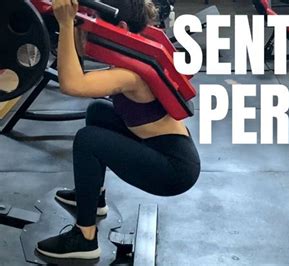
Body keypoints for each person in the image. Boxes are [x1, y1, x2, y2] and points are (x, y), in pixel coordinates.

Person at [36, 0, 201, 260]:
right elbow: (79, 57)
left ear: (120, 27)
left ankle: (85, 239)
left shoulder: (130, 74)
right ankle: (92, 197)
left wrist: (66, 23)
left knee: (88, 140)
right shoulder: (133, 47)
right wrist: (74, 21)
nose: (93, 28)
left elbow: (71, 83)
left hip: (173, 170)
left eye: (97, 22)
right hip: (160, 146)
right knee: (98, 112)